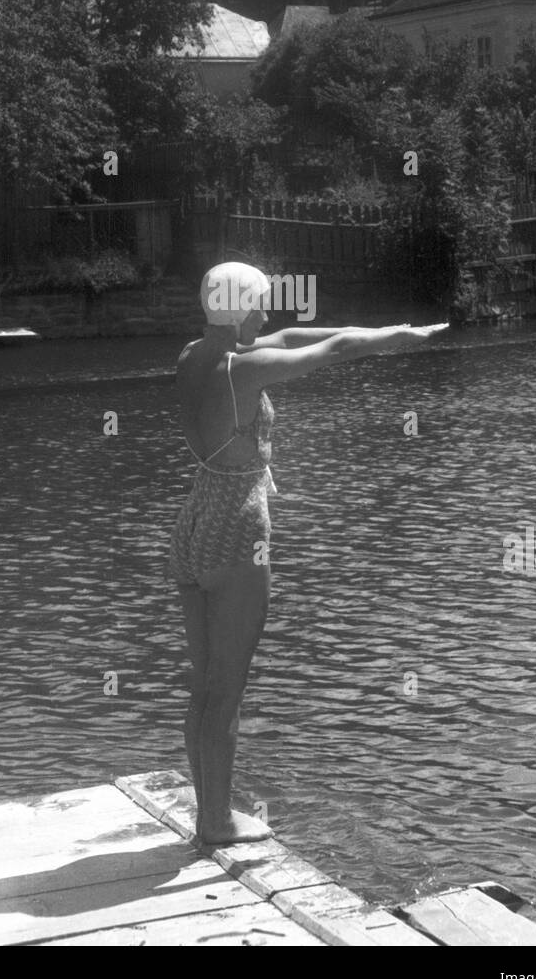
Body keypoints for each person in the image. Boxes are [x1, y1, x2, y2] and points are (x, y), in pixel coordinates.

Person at [169, 261, 448, 845]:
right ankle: (218, 823)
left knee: (204, 684)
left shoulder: (195, 355)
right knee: (229, 688)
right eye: (261, 305)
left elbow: (294, 338)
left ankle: (207, 814)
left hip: (194, 521)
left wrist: (369, 327)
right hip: (236, 531)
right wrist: (401, 336)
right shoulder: (245, 372)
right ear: (240, 307)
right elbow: (334, 349)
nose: (268, 316)